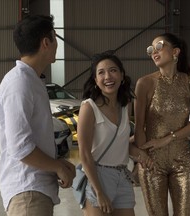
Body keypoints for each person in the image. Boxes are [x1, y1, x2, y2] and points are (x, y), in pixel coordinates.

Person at [0, 15, 76, 216]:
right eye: (55, 38)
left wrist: (58, 165)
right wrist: (57, 166)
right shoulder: (19, 83)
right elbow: (20, 147)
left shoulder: (31, 81)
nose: (57, 44)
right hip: (27, 193)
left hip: (34, 191)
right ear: (46, 42)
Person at [134, 33, 190, 216]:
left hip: (182, 160)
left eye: (159, 47)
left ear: (175, 51)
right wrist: (143, 158)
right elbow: (139, 127)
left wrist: (167, 139)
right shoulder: (145, 83)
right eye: (151, 50)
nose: (153, 52)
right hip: (152, 161)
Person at [77, 51, 153, 216]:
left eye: (113, 70)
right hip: (97, 176)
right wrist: (99, 191)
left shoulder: (125, 106)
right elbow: (84, 154)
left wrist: (139, 154)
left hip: (122, 176)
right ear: (96, 81)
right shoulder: (89, 108)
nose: (107, 77)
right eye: (101, 72)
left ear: (122, 75)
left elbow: (121, 144)